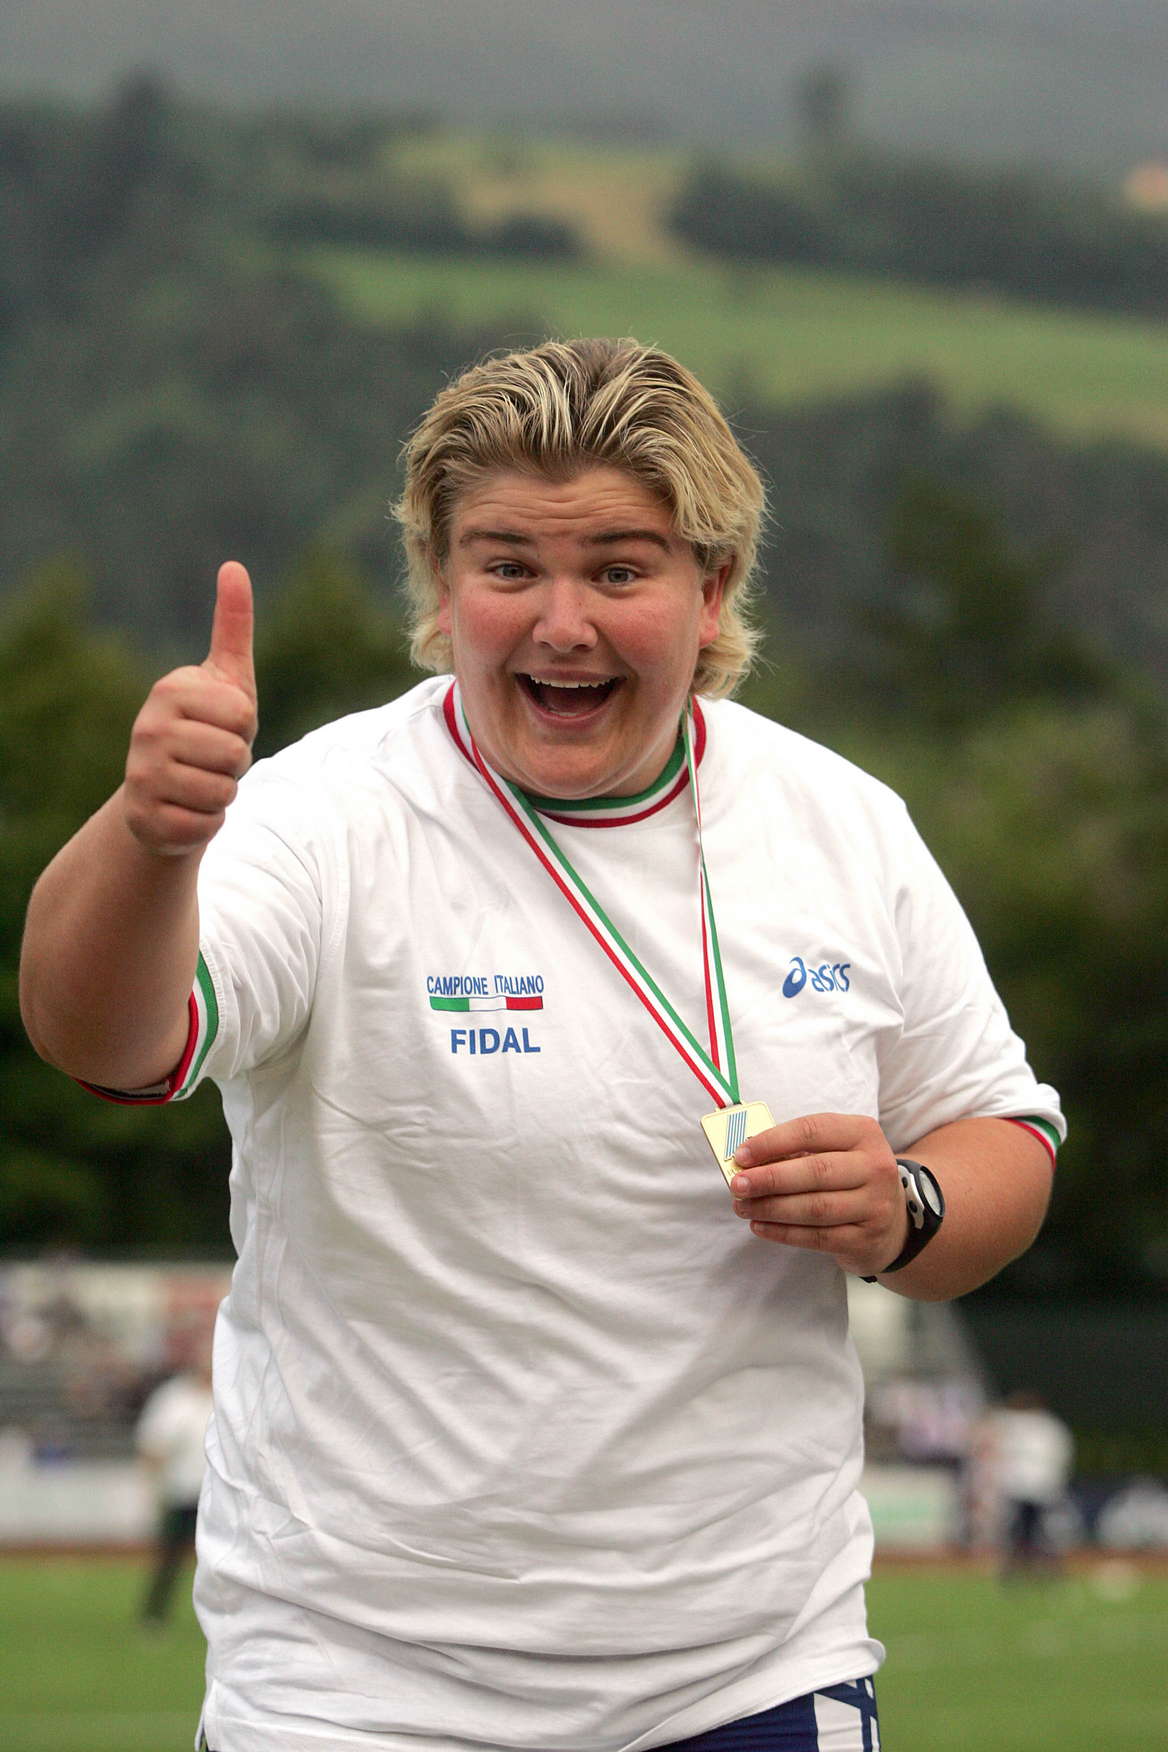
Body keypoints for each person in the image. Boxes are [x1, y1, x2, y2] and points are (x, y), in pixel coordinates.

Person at [19, 338, 1064, 1752]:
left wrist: (909, 1206)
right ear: (441, 584)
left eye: (619, 572)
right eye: (508, 566)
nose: (561, 624)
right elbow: (104, 1041)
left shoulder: (842, 824)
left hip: (748, 1674)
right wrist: (147, 839)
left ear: (713, 589)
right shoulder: (323, 815)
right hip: (357, 1689)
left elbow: (1004, 1131)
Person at [136, 1339, 213, 1625]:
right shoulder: (173, 1398)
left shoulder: (230, 1394)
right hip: (182, 1493)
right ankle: (154, 1615)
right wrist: (154, 1488)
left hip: (219, 1497)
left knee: (224, 1560)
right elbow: (153, 1445)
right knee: (169, 1559)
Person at [989, 1390, 1075, 1579]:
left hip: (1028, 1487)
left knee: (1029, 1531)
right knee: (1034, 1531)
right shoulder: (1051, 1426)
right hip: (1038, 1487)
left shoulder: (1019, 1425)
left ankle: (1025, 1567)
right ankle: (1033, 1567)